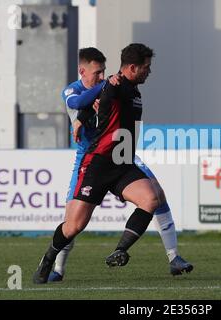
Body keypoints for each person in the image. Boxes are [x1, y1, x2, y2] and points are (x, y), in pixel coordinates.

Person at [33, 44, 191, 284]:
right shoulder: (111, 85)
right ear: (132, 67)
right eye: (146, 67)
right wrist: (81, 120)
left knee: (152, 198)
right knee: (74, 225)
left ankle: (121, 250)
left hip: (123, 161)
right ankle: (49, 260)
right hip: (98, 162)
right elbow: (90, 102)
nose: (149, 71)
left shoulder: (135, 93)